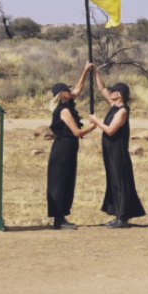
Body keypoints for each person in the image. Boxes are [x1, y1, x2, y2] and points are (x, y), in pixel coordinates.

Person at [87, 71, 146, 228]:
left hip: (118, 150)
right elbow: (101, 88)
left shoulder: (122, 111)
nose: (110, 92)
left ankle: (123, 217)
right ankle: (118, 214)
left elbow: (110, 130)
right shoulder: (114, 105)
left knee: (120, 181)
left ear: (119, 95)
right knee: (113, 180)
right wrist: (95, 72)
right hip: (109, 149)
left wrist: (96, 120)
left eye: (113, 91)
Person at [46, 64, 96, 229]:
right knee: (61, 181)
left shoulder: (67, 103)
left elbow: (78, 88)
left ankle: (61, 218)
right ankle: (59, 220)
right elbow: (76, 132)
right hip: (64, 148)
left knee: (67, 180)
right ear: (62, 94)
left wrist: (85, 71)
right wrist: (92, 127)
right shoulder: (64, 111)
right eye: (67, 90)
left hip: (67, 148)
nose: (71, 91)